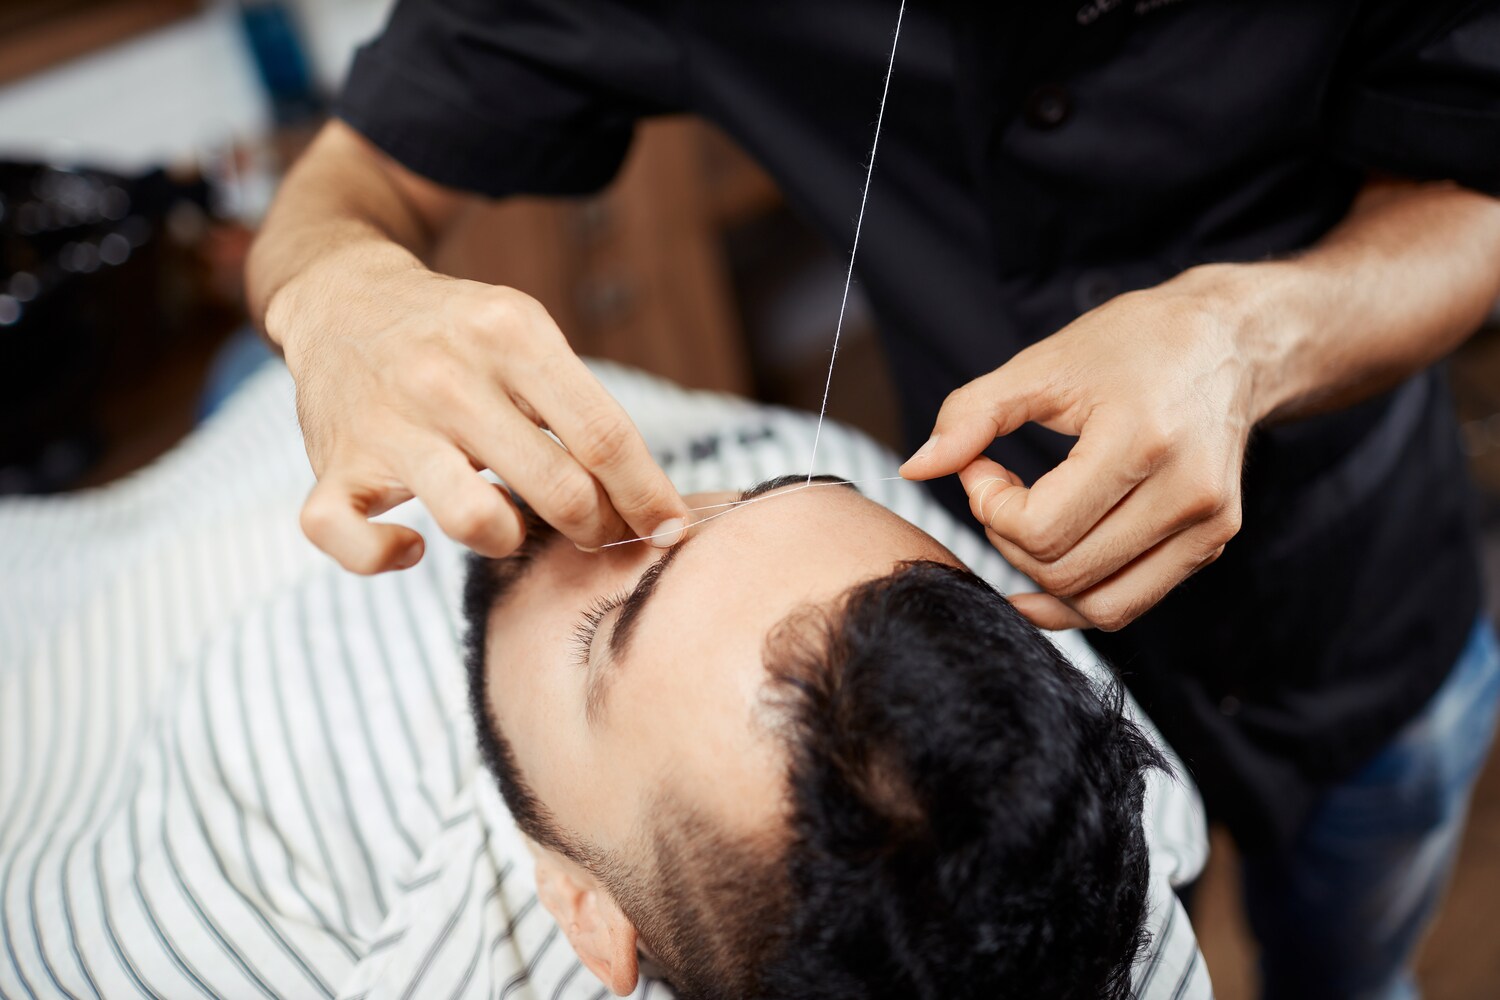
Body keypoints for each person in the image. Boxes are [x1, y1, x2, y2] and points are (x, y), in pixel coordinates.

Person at [246, 3, 1500, 994]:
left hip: (1363, 609)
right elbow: (355, 175)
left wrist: (1254, 338)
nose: (653, 522)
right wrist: (332, 286)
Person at [463, 473, 1192, 999]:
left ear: (586, 912)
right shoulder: (1146, 814)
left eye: (607, 626)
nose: (625, 505)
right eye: (762, 490)